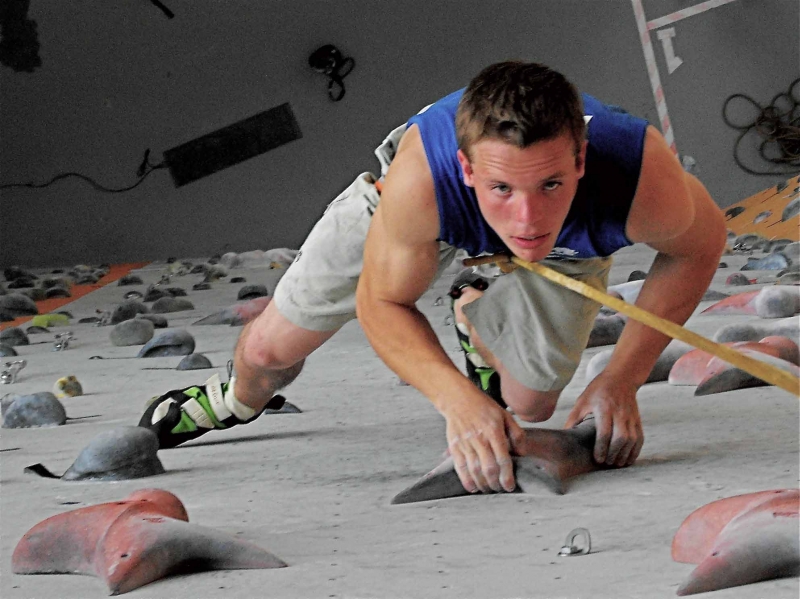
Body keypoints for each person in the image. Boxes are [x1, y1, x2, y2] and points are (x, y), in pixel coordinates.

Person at [139, 61, 726, 495]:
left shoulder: (641, 179)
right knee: (269, 351)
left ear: (580, 160)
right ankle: (234, 400)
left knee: (531, 405)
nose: (526, 219)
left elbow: (698, 249)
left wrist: (622, 379)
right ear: (467, 168)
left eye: (549, 184)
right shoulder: (421, 183)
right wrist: (457, 403)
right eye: (502, 188)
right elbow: (381, 302)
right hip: (427, 218)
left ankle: (474, 315)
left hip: (569, 242)